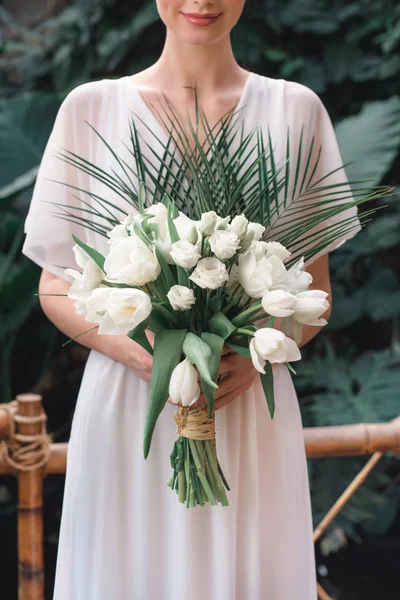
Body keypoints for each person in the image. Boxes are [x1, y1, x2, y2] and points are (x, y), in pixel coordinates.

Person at [22, 1, 361, 598]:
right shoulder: (91, 108)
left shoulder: (295, 111)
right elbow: (53, 282)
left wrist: (253, 359)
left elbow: (318, 292)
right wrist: (139, 351)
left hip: (246, 404)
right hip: (133, 409)